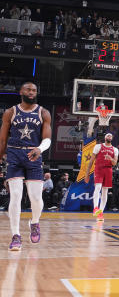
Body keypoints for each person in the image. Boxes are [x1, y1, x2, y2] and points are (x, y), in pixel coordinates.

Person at [0, 82, 52, 251]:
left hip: (33, 155)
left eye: (34, 90)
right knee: (15, 196)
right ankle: (16, 236)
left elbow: (47, 138)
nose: (31, 92)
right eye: (28, 90)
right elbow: (2, 139)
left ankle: (34, 222)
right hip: (14, 155)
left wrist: (40, 148)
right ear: (21, 91)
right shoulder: (10, 112)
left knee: (36, 199)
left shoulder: (43, 112)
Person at [92, 132, 119, 220]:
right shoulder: (98, 146)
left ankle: (101, 213)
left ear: (112, 138)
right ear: (105, 137)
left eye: (111, 136)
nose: (109, 136)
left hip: (108, 170)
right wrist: (87, 173)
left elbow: (114, 163)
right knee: (98, 187)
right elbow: (92, 159)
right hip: (99, 168)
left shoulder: (115, 149)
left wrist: (110, 158)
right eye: (108, 135)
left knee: (105, 192)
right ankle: (95, 208)